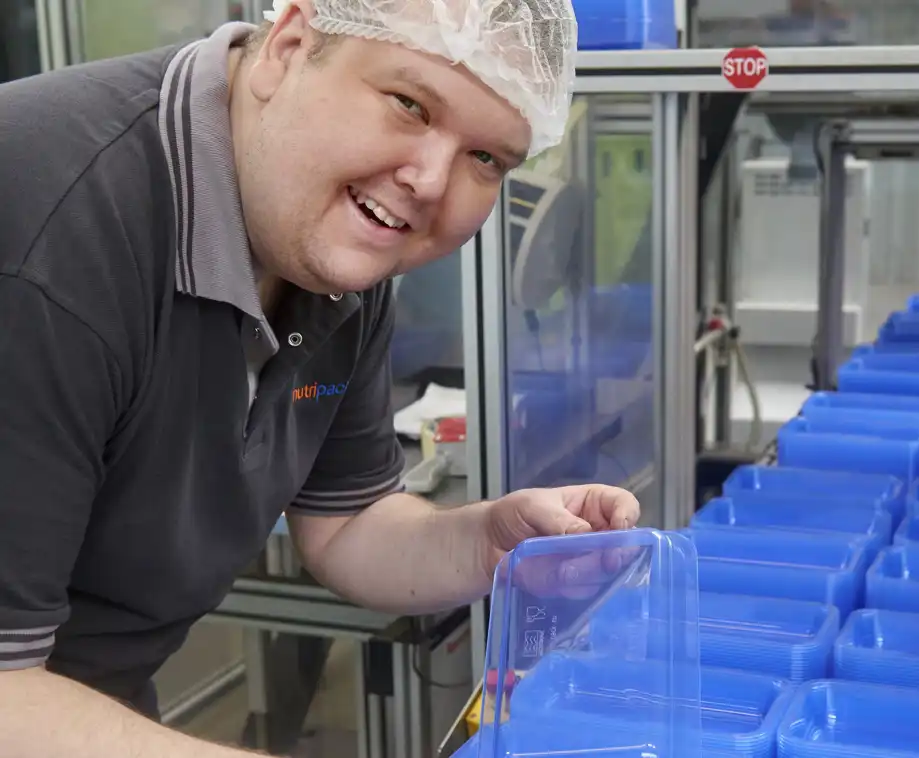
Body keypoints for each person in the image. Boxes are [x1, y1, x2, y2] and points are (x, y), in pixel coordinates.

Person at [0, 0, 640, 755]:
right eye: (409, 104)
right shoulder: (46, 229)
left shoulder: (334, 233)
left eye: (486, 158)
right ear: (290, 45)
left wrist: (486, 546)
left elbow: (345, 524)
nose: (430, 181)